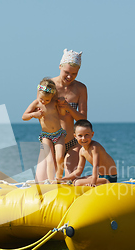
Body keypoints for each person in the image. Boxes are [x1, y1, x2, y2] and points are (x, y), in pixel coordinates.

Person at [35, 49, 88, 181]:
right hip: (51, 141)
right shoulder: (46, 87)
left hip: (72, 143)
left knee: (70, 181)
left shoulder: (81, 89)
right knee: (41, 183)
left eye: (74, 74)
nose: (70, 77)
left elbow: (83, 119)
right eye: (67, 72)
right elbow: (40, 113)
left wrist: (68, 107)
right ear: (60, 66)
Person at [23, 78, 66, 182]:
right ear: (39, 94)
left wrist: (63, 105)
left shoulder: (54, 102)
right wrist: (34, 114)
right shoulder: (36, 103)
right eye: (42, 99)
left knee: (60, 157)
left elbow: (63, 114)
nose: (44, 102)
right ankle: (51, 181)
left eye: (47, 100)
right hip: (46, 136)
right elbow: (24, 116)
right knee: (49, 159)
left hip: (59, 134)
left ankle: (59, 179)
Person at [62, 119, 117, 187]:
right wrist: (65, 178)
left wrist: (93, 182)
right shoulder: (82, 151)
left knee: (77, 183)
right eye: (80, 135)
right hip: (99, 175)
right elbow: (79, 170)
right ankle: (98, 180)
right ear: (75, 136)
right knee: (75, 180)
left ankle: (105, 182)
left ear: (92, 134)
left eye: (86, 135)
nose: (84, 138)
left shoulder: (94, 147)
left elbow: (95, 166)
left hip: (109, 177)